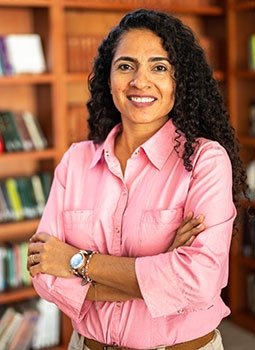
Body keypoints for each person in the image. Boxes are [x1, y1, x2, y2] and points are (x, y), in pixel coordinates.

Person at [27, 8, 247, 350]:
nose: (139, 81)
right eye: (125, 65)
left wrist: (77, 262)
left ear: (180, 80)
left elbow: (198, 282)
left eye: (159, 67)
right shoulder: (76, 160)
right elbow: (44, 273)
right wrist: (158, 268)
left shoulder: (206, 160)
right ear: (108, 77)